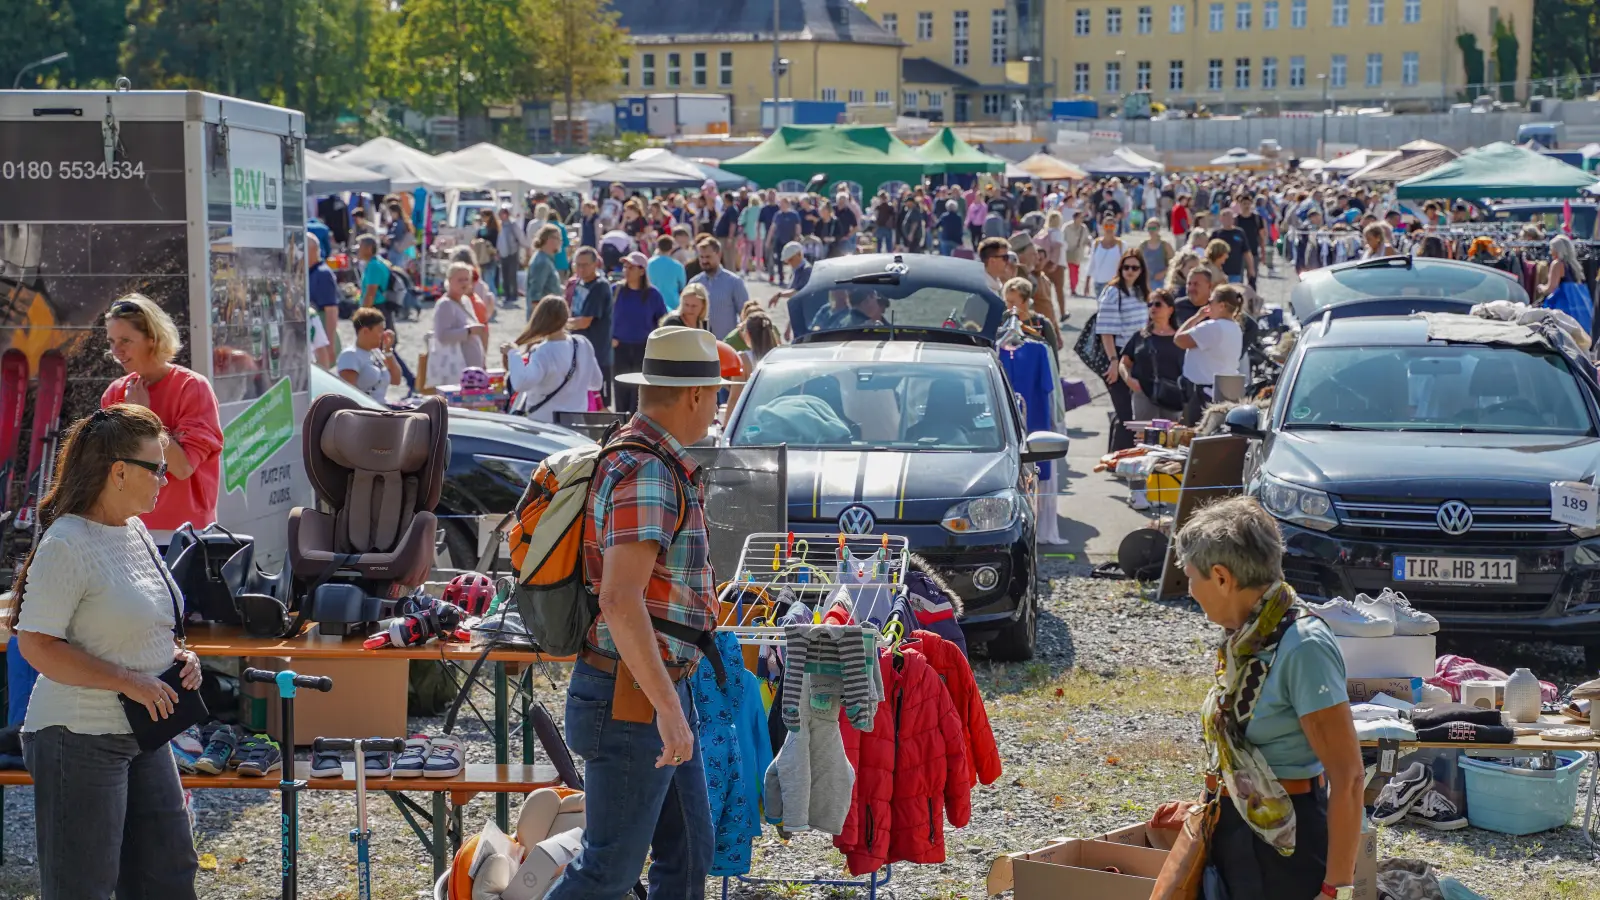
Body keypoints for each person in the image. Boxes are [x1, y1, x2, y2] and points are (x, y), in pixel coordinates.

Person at [543, 327, 730, 900]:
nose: (717, 407)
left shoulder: (648, 457)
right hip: (634, 700)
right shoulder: (649, 469)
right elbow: (620, 600)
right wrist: (668, 709)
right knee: (608, 871)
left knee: (688, 852)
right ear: (694, 396)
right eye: (716, 395)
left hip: (650, 692)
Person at [13, 403, 202, 899]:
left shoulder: (135, 530)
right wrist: (128, 679)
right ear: (119, 471)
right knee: (84, 888)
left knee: (171, 872)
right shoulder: (67, 542)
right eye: (157, 467)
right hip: (77, 736)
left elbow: (147, 617)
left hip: (143, 730)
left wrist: (178, 655)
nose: (166, 478)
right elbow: (35, 644)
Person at [1171, 497, 1363, 900]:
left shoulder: (1303, 646)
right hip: (1238, 832)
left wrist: (1337, 889)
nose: (1190, 591)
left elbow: (1348, 779)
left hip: (1285, 850)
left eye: (1191, 577)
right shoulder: (1249, 639)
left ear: (1221, 578)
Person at [100, 295, 223, 532]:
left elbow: (183, 467)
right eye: (112, 341)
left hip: (184, 533)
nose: (116, 350)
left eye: (125, 340)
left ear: (153, 340)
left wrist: (143, 414)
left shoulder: (193, 387)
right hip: (128, 531)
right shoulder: (114, 392)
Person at [502, 295, 604, 423]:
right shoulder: (583, 344)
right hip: (577, 425)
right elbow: (596, 383)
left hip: (546, 427)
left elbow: (521, 383)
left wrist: (513, 353)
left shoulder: (542, 351)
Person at [1094, 250, 1151, 452]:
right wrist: (1113, 361)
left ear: (1141, 270)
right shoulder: (1113, 292)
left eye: (1134, 267)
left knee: (1126, 411)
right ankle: (1118, 458)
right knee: (1126, 412)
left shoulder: (1139, 291)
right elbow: (1106, 331)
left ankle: (1114, 456)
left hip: (1135, 356)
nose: (1130, 271)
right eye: (1126, 267)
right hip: (1117, 355)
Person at [1176, 281, 1245, 424]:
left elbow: (1179, 340)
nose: (1207, 305)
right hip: (1223, 390)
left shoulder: (1213, 326)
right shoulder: (1235, 327)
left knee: (1194, 436)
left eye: (1211, 301)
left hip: (1203, 394)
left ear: (1222, 305)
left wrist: (1197, 317)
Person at [612, 252, 670, 413]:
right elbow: (606, 317)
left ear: (642, 271)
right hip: (620, 348)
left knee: (638, 394)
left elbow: (662, 322)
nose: (626, 270)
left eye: (631, 267)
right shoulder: (616, 291)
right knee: (621, 391)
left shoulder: (653, 295)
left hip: (643, 349)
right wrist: (610, 337)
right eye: (625, 266)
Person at [1119, 288, 1185, 422]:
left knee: (1170, 439)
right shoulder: (1140, 336)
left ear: (1170, 310)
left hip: (1171, 395)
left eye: (1158, 304)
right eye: (1150, 304)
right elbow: (1124, 362)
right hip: (1143, 393)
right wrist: (1129, 380)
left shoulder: (1180, 338)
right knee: (1143, 436)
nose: (1153, 308)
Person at [430, 262, 490, 387]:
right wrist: (468, 331)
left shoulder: (466, 300)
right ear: (450, 280)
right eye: (460, 280)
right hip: (457, 369)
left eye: (466, 279)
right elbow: (442, 336)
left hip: (473, 368)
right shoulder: (445, 305)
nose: (464, 283)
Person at [337, 307, 402, 403]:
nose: (383, 335)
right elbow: (349, 395)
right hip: (366, 412)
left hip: (382, 408)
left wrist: (388, 351)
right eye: (380, 331)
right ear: (365, 331)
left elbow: (396, 380)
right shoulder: (350, 355)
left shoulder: (376, 353)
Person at [688, 236, 748, 339]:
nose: (704, 261)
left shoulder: (734, 282)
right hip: (700, 345)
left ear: (719, 255)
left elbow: (745, 314)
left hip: (726, 345)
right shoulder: (694, 282)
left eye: (708, 257)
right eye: (701, 257)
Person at [307, 236, 341, 368]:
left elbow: (331, 310)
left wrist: (330, 345)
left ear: (313, 250)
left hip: (322, 335)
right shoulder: (309, 272)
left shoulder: (323, 273)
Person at [526, 224, 565, 317]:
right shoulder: (542, 262)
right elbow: (535, 294)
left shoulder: (545, 259)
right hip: (545, 318)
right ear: (548, 239)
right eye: (558, 238)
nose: (560, 242)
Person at [648, 234, 689, 313]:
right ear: (672, 248)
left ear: (658, 247)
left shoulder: (649, 263)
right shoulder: (678, 266)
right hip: (673, 304)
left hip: (652, 302)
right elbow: (682, 286)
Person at [497, 203, 526, 309]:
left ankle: (513, 294)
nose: (500, 216)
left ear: (506, 214)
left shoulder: (513, 224)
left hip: (512, 252)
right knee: (504, 274)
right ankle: (507, 293)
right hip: (503, 253)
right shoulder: (500, 225)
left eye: (502, 213)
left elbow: (520, 237)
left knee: (512, 274)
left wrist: (524, 248)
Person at [1085, 218, 1124, 294]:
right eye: (1106, 226)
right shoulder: (1096, 243)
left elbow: (1124, 264)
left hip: (1115, 284)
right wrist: (1087, 283)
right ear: (1102, 227)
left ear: (1115, 227)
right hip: (1099, 282)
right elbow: (1091, 263)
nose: (1109, 229)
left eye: (1111, 226)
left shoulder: (1121, 244)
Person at [1063, 209, 1091, 296]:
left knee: (1076, 270)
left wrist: (1090, 244)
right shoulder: (1067, 227)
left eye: (1082, 218)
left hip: (1078, 253)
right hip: (1069, 252)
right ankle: (1072, 287)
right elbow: (1062, 238)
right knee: (1072, 270)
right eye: (1079, 217)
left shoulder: (1083, 228)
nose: (1081, 219)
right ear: (1074, 218)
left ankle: (1073, 286)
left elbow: (1086, 239)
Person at [1140, 220, 1174, 288]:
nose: (1151, 230)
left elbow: (1174, 263)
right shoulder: (1143, 245)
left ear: (1158, 229)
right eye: (1149, 228)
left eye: (1153, 228)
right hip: (1147, 281)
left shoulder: (1165, 245)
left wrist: (1164, 273)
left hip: (1162, 281)